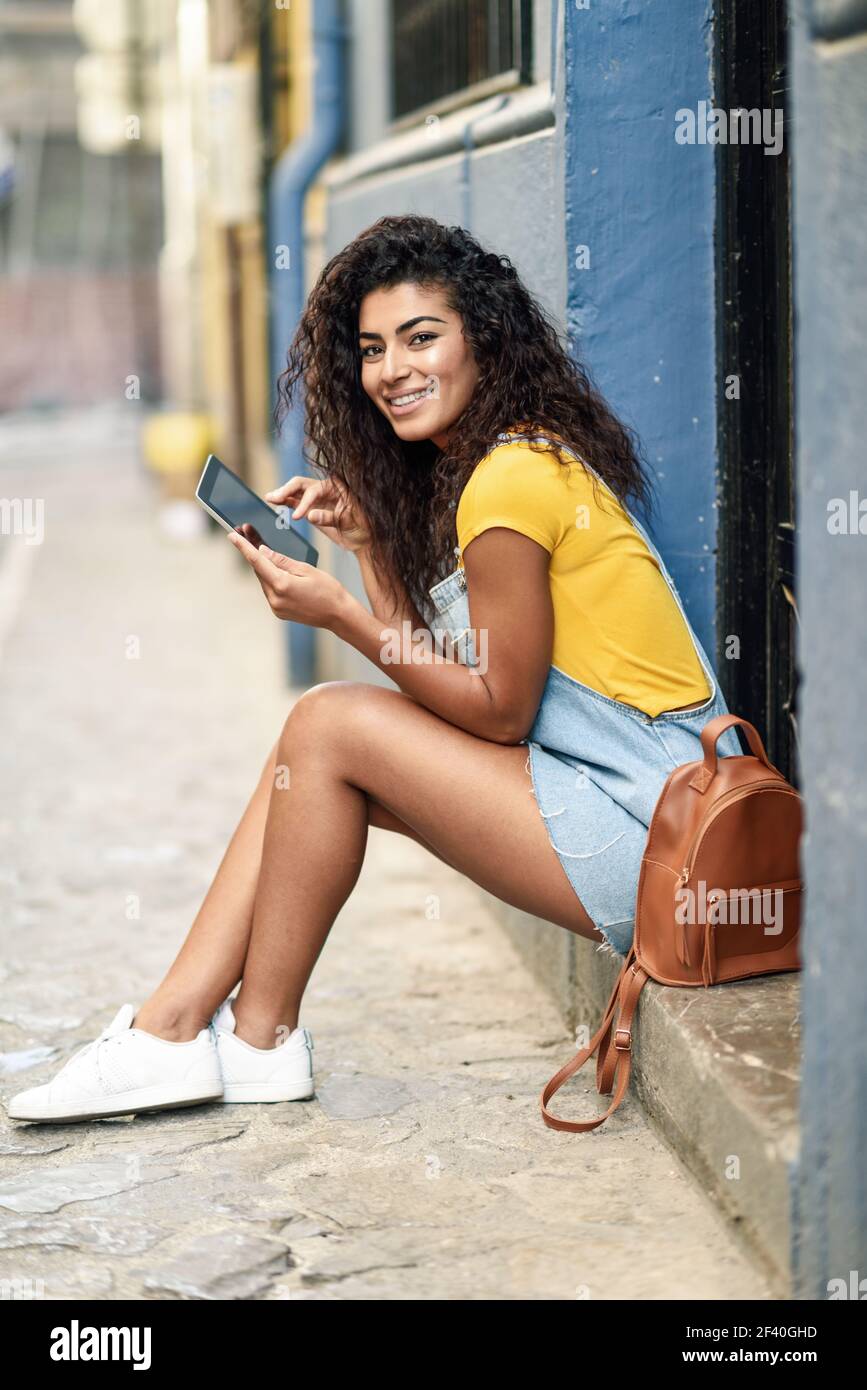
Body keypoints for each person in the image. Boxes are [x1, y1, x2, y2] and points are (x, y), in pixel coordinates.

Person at [7, 214, 741, 1125]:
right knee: (312, 761)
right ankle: (217, 1036)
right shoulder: (508, 461)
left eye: (422, 337)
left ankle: (208, 1037)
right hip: (608, 799)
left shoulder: (508, 482)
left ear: (487, 340)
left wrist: (342, 616)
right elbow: (442, 684)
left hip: (652, 834)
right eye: (370, 348)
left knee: (326, 722)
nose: (392, 368)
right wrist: (364, 548)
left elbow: (500, 713)